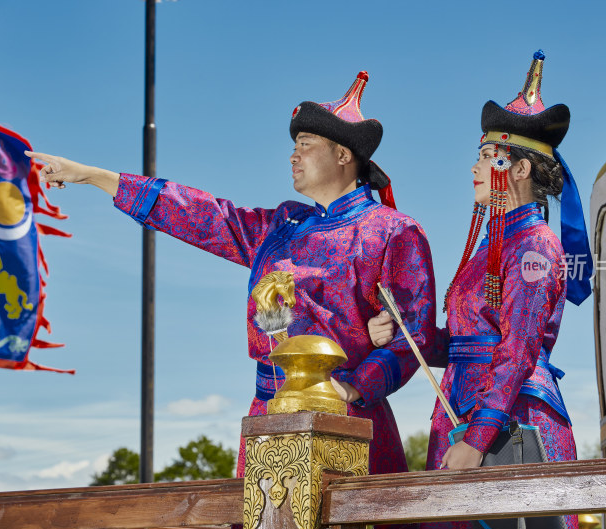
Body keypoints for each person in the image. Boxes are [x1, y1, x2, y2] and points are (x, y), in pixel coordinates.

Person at [28, 71, 437, 485]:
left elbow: (411, 336)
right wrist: (94, 176)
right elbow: (203, 214)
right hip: (269, 415)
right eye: (293, 147)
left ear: (343, 154)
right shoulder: (282, 225)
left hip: (348, 416)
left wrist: (351, 389)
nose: (292, 156)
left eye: (305, 145)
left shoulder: (393, 231)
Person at [368, 51, 593, 529]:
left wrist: (478, 437)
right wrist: (406, 333)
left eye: (487, 157)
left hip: (511, 425)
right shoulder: (492, 246)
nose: (473, 166)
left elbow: (517, 350)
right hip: (460, 415)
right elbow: (464, 344)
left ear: (519, 170)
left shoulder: (535, 247)